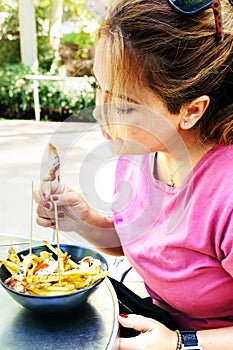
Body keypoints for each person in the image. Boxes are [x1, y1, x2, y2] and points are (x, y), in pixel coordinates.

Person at [34, 0, 233, 349]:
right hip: (156, 320)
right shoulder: (139, 152)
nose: (99, 113)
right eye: (99, 87)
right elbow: (151, 248)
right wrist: (84, 221)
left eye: (124, 105)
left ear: (191, 110)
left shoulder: (226, 196)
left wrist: (181, 343)